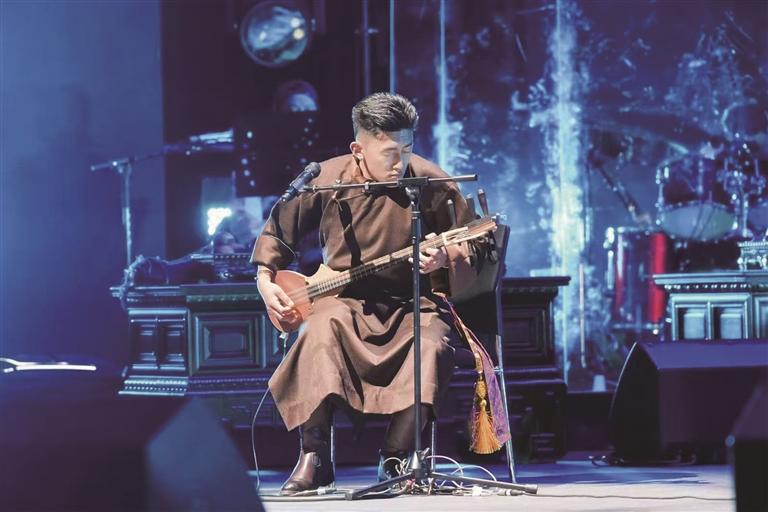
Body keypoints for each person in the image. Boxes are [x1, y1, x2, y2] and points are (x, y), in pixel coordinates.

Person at [251, 92, 480, 495]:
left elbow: (473, 241)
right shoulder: (327, 179)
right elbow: (278, 231)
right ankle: (314, 457)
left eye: (406, 149)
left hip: (414, 303)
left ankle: (396, 456)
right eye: (389, 153)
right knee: (317, 331)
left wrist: (446, 257)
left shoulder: (430, 182)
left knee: (431, 346)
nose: (400, 162)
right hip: (343, 300)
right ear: (358, 149)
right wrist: (264, 279)